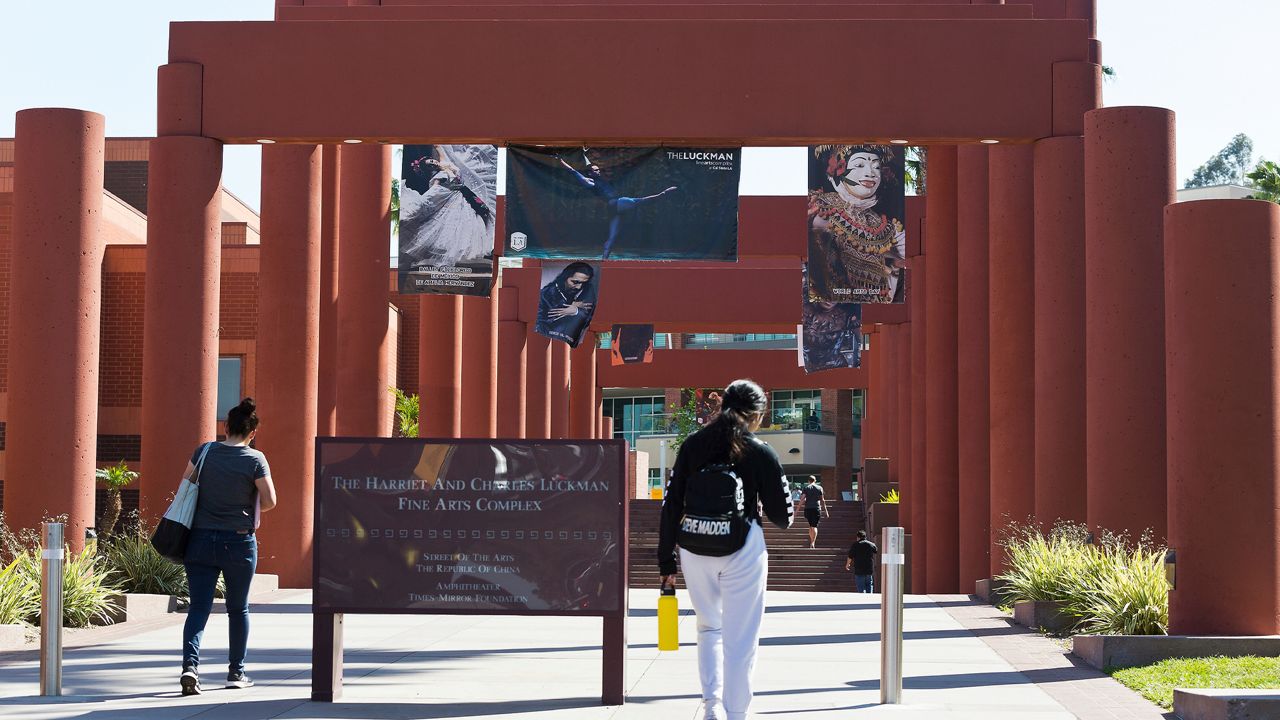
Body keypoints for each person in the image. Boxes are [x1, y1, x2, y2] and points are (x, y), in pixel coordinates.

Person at [658, 379, 794, 720]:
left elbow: (671, 504)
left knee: (708, 627)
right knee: (741, 638)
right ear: (757, 415)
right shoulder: (760, 451)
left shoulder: (693, 445)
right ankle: (736, 714)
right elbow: (783, 517)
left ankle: (712, 706)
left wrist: (665, 560)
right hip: (743, 548)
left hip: (694, 546)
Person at [179, 398, 277, 696]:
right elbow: (271, 501)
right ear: (253, 432)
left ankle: (190, 667)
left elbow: (186, 486)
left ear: (225, 426)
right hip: (238, 541)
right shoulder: (255, 459)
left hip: (200, 539)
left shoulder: (204, 452)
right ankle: (236, 672)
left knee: (199, 607)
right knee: (238, 608)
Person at [807, 145, 907, 303]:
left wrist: (894, 267)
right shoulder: (819, 207)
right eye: (859, 165)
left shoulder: (884, 226)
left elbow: (912, 252)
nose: (870, 173)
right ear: (839, 170)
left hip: (871, 308)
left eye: (877, 167)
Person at [558, 148, 678, 259]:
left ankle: (604, 260)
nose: (598, 171)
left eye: (598, 169)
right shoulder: (589, 182)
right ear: (590, 174)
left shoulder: (596, 176)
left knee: (613, 237)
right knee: (639, 201)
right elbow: (573, 171)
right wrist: (561, 161)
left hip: (614, 208)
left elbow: (588, 165)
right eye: (596, 170)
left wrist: (584, 154)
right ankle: (661, 195)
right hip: (616, 203)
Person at [398, 144, 498, 271]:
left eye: (431, 161)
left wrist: (438, 146)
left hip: (464, 196)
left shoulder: (445, 162)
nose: (433, 162)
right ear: (430, 169)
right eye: (430, 164)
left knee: (466, 225)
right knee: (453, 227)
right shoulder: (439, 177)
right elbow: (433, 192)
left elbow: (441, 151)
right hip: (456, 198)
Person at [535, 261, 597, 348]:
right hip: (550, 342)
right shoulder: (547, 294)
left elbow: (590, 313)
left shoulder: (587, 289)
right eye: (575, 282)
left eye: (583, 283)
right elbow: (540, 322)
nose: (579, 287)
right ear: (565, 277)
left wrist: (575, 311)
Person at [799, 476, 829, 548]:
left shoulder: (806, 488)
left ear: (808, 481)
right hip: (816, 508)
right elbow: (822, 500)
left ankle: (811, 540)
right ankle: (813, 542)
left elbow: (802, 499)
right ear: (815, 480)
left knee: (810, 526)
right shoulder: (819, 488)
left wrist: (797, 509)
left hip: (808, 508)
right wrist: (826, 511)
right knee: (814, 526)